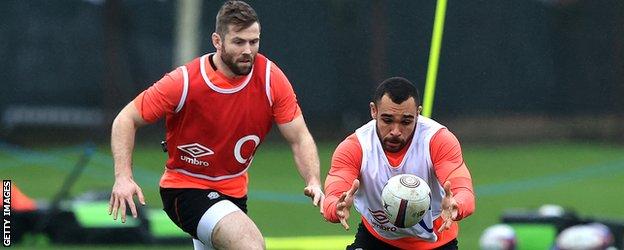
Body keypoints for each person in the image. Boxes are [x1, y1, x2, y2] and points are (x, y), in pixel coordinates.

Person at [107, 1, 324, 249]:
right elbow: (126, 119)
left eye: (254, 42)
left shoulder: (270, 79)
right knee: (251, 245)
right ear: (217, 41)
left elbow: (299, 137)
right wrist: (123, 177)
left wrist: (313, 180)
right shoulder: (185, 81)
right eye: (239, 42)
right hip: (186, 188)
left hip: (235, 193)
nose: (248, 51)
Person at [322, 77, 475, 249]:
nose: (396, 131)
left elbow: (463, 190)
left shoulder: (438, 140)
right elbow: (334, 192)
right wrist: (335, 208)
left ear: (418, 113)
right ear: (374, 111)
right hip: (377, 240)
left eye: (406, 122)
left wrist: (458, 205)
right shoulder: (355, 147)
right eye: (387, 120)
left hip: (437, 244)